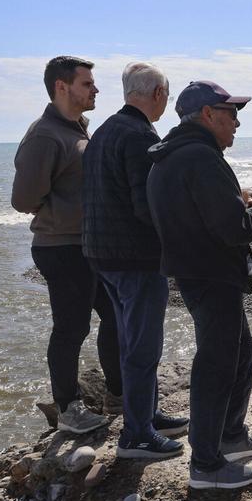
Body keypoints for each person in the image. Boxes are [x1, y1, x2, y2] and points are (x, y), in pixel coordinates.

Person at [147, 80, 252, 489]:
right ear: (207, 114)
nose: (237, 122)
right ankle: (206, 463)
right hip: (211, 274)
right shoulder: (200, 157)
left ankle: (230, 437)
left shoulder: (172, 154)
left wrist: (242, 200)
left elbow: (200, 211)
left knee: (240, 352)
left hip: (197, 272)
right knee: (216, 365)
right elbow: (233, 228)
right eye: (231, 113)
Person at [82, 62, 189, 460]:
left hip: (101, 253)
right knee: (142, 346)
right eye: (167, 95)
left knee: (131, 340)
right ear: (158, 93)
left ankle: (145, 415)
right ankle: (137, 435)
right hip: (135, 257)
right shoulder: (139, 135)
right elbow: (147, 206)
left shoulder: (104, 131)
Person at [12, 56, 122, 434]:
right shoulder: (45, 135)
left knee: (116, 315)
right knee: (71, 329)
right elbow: (23, 199)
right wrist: (62, 211)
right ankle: (68, 410)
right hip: (60, 247)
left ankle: (118, 396)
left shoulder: (77, 129)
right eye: (87, 84)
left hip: (87, 244)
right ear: (62, 87)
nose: (96, 89)